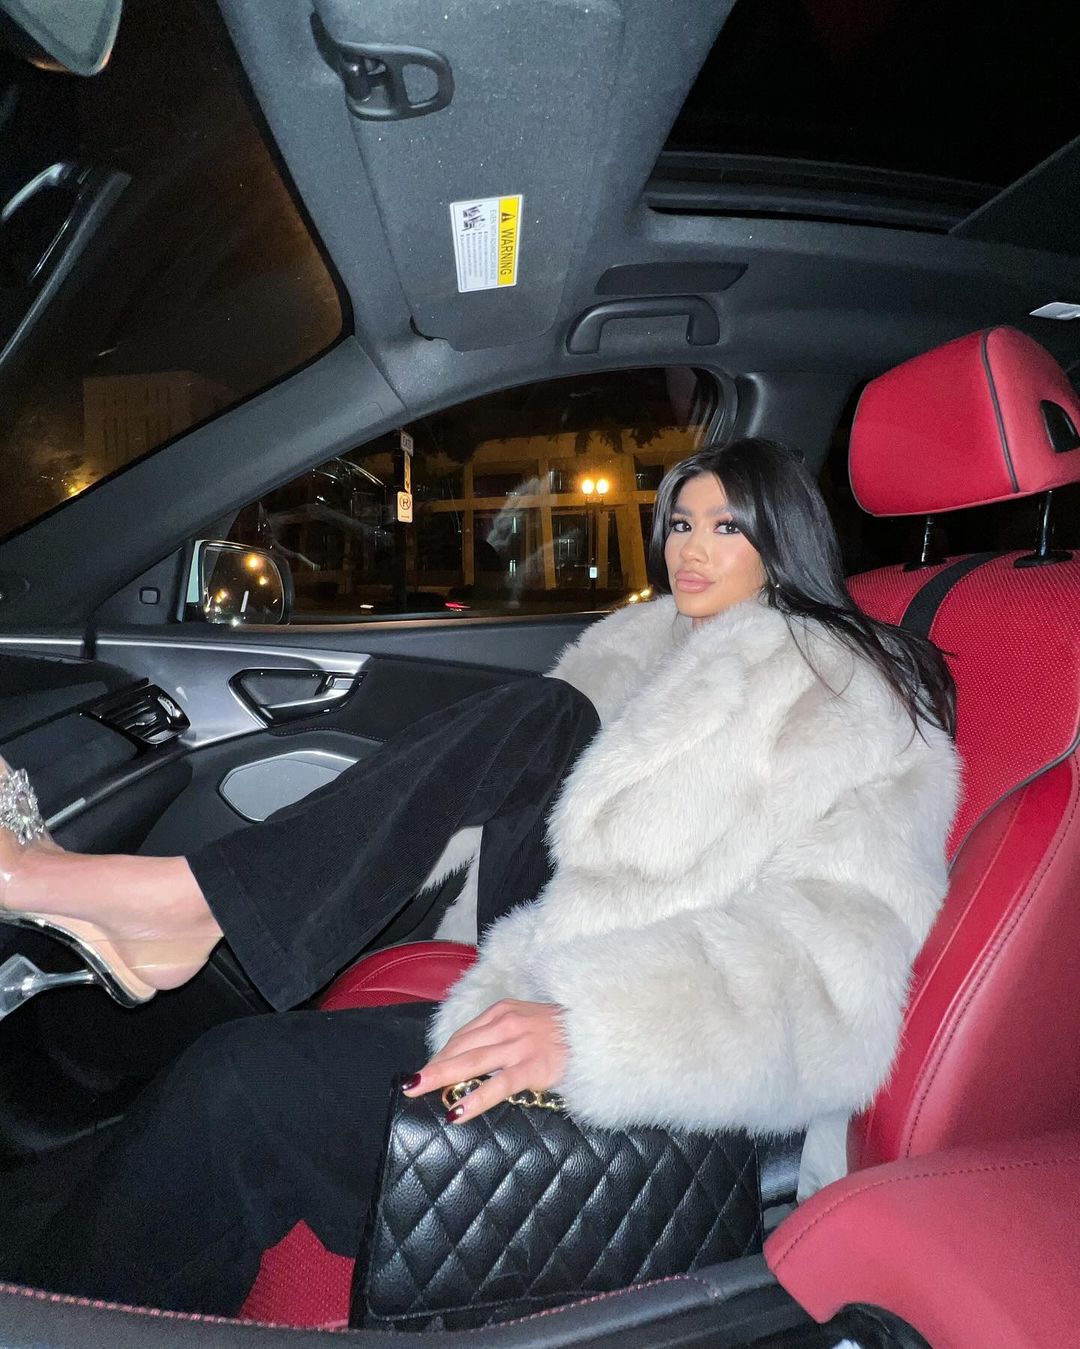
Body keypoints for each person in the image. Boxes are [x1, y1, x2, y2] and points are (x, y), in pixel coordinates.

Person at [0, 438, 959, 1316]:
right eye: (679, 522)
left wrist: (594, 1030)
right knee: (546, 717)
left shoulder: (851, 694)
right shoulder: (656, 650)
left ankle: (53, 1316)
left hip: (666, 1073)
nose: (690, 549)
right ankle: (180, 916)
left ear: (782, 540)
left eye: (726, 527)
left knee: (239, 1081)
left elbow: (834, 958)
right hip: (554, 944)